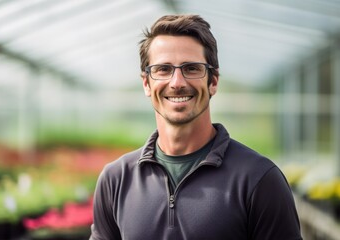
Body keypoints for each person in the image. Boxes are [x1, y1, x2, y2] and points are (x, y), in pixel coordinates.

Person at [90, 14, 302, 240]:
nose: (177, 82)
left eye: (191, 68)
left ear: (213, 82)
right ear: (146, 83)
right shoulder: (116, 179)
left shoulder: (258, 179)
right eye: (163, 69)